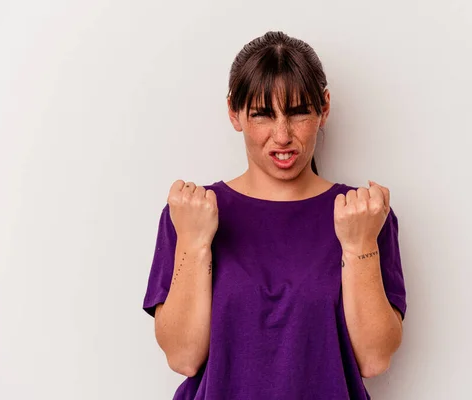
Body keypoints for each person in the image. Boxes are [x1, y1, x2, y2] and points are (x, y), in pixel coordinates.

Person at [142, 31, 407, 400]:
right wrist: (193, 241)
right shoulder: (192, 212)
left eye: (298, 112)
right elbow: (183, 357)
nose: (282, 136)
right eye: (263, 114)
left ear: (324, 108)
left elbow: (374, 359)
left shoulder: (363, 214)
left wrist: (359, 244)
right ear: (234, 112)